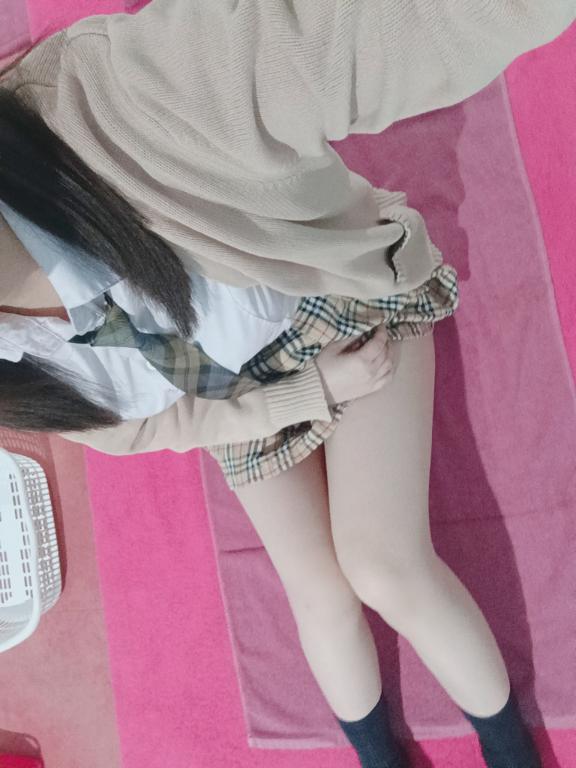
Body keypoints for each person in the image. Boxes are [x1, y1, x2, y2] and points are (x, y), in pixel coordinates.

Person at [1, 2, 574, 766]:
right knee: (321, 595)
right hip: (237, 398)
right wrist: (304, 396)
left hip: (330, 305)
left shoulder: (102, 107)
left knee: (382, 565)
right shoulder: (16, 375)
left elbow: (321, 47)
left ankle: (509, 751)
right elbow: (160, 425)